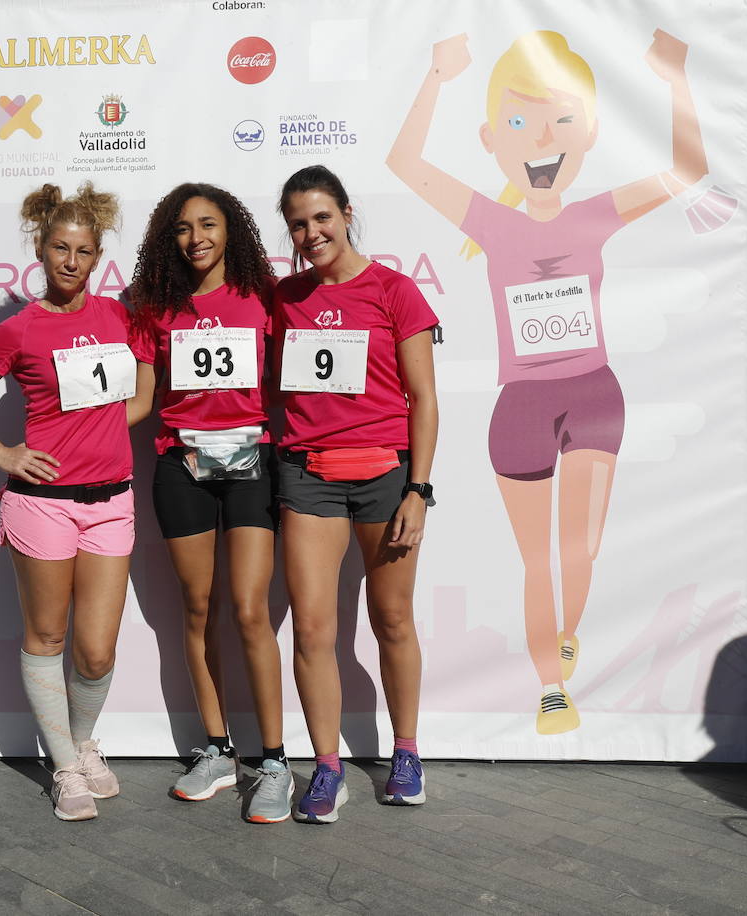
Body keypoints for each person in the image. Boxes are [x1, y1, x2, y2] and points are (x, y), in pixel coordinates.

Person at [386, 29, 708, 734]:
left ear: (588, 132)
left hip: (593, 395)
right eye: (519, 122)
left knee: (581, 548)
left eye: (561, 119)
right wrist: (437, 76)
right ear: (491, 138)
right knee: (538, 560)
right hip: (523, 407)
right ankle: (551, 686)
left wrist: (675, 79)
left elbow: (687, 169)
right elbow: (404, 161)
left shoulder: (597, 214)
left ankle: (564, 631)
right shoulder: (492, 223)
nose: (541, 139)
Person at [0, 182, 155, 821]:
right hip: (41, 505)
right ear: (40, 249)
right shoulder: (20, 330)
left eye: (84, 251)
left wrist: (100, 436)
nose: (71, 260)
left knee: (97, 650)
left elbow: (142, 401)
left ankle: (85, 741)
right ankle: (65, 768)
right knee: (47, 634)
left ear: (98, 258)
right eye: (60, 248)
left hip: (111, 503)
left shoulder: (123, 318)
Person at [273, 165, 439, 824]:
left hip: (383, 477)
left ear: (345, 212)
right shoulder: (284, 298)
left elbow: (424, 400)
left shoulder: (395, 292)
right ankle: (327, 767)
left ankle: (406, 752)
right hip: (307, 477)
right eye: (297, 224)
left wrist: (418, 490)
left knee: (391, 621)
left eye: (321, 218)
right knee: (313, 630)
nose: (311, 233)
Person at [126, 183, 291, 823]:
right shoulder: (153, 308)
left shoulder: (264, 297)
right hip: (181, 465)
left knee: (250, 608)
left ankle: (273, 760)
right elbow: (142, 402)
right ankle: (218, 750)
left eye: (209, 225)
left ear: (232, 232)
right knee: (198, 608)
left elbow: (294, 379)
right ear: (167, 239)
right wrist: (78, 431)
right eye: (183, 228)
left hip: (251, 460)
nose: (196, 239)